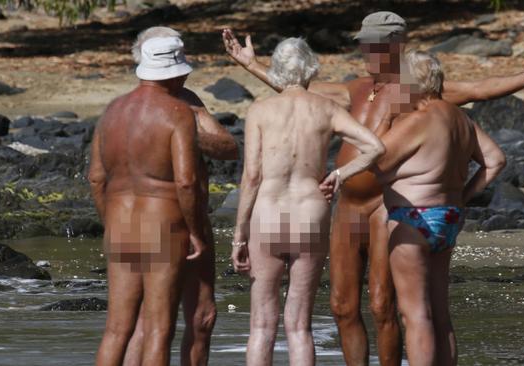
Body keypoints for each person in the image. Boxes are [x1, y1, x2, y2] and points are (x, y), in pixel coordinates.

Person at [222, 10, 524, 366]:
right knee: (342, 306)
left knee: (382, 304)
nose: (367, 53)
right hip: (345, 205)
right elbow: (297, 90)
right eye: (364, 46)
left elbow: (476, 91)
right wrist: (250, 65)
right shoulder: (355, 89)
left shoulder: (415, 90)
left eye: (375, 46)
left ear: (396, 46)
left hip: (385, 204)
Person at [230, 37, 384, 366]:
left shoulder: (259, 110)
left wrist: (239, 235)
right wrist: (340, 174)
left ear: (276, 70)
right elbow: (374, 147)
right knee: (300, 327)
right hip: (310, 215)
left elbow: (252, 177)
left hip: (268, 214)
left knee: (261, 326)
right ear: (311, 68)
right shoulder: (326, 109)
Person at [373, 50, 506, 366]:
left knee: (416, 315)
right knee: (440, 313)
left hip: (413, 218)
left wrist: (387, 117)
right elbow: (496, 160)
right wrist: (463, 195)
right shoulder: (460, 117)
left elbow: (374, 160)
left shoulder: (419, 119)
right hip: (448, 217)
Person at [122, 27, 239, 366]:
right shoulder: (145, 107)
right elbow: (221, 154)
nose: (186, 73)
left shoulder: (182, 102)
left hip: (168, 221)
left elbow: (228, 148)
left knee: (199, 318)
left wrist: (182, 127)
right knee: (152, 321)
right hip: (170, 221)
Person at [90, 36, 207, 366]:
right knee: (159, 328)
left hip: (120, 224)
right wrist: (196, 231)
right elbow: (186, 181)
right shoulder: (177, 113)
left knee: (116, 329)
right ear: (173, 72)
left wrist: (108, 221)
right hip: (163, 225)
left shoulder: (112, 111)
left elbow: (97, 178)